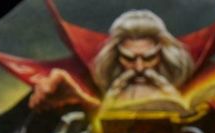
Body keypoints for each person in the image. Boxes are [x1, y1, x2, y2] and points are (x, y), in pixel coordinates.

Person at [29, 9, 195, 112]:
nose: (139, 68)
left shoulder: (180, 91)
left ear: (162, 56)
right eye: (129, 58)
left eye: (149, 58)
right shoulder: (107, 91)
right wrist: (77, 98)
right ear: (116, 57)